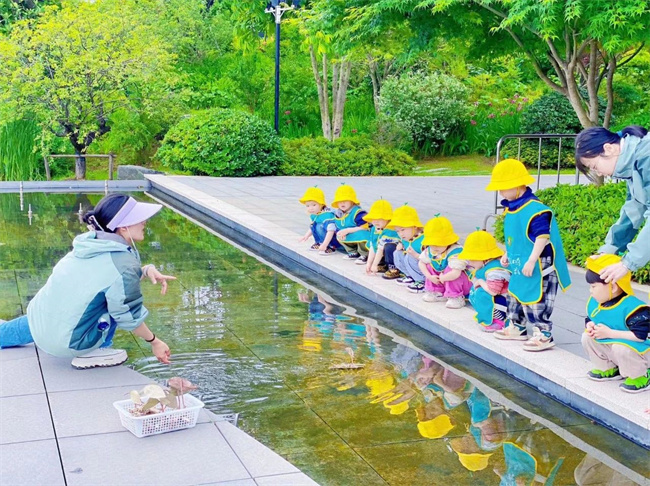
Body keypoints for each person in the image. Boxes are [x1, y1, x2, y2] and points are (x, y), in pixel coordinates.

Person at [0, 194, 174, 369]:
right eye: (139, 219)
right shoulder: (123, 264)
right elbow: (128, 315)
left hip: (37, 321)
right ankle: (95, 352)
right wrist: (155, 342)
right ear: (123, 227)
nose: (144, 222)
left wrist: (146, 270)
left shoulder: (89, 244)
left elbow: (109, 277)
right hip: (67, 343)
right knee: (118, 303)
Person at [485, 159, 571, 351]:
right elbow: (516, 236)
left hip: (539, 262)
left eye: (503, 188)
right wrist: (507, 253)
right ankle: (517, 326)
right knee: (515, 294)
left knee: (538, 298)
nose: (501, 193)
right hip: (519, 261)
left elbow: (542, 237)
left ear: (518, 185)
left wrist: (532, 260)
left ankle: (543, 333)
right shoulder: (512, 207)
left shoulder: (535, 210)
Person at [575, 125, 650, 285]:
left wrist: (628, 263)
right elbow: (633, 211)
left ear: (608, 149)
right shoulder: (634, 163)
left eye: (594, 167)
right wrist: (608, 251)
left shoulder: (646, 157)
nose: (599, 173)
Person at [582, 254, 650, 393]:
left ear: (613, 287)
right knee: (587, 337)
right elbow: (592, 317)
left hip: (641, 351)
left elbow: (640, 336)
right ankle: (608, 368)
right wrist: (590, 326)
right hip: (617, 347)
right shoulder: (597, 302)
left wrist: (609, 333)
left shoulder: (634, 308)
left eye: (594, 286)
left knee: (621, 348)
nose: (590, 291)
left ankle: (641, 375)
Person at [458, 230, 511, 332]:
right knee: (479, 291)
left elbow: (493, 291)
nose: (470, 262)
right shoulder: (488, 264)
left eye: (472, 259)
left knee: (481, 293)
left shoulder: (494, 271)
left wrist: (480, 282)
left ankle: (499, 321)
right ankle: (490, 316)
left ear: (484, 258)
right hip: (502, 300)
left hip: (507, 302)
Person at [418, 216, 472, 307]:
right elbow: (421, 262)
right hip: (442, 280)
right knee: (429, 265)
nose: (435, 247)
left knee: (450, 268)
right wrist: (429, 276)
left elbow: (456, 273)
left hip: (463, 283)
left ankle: (456, 297)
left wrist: (443, 278)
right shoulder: (431, 250)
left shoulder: (456, 251)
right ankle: (437, 292)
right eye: (432, 244)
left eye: (439, 244)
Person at [384, 205, 426, 290]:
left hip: (425, 270)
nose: (401, 234)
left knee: (409, 257)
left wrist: (415, 255)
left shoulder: (424, 240)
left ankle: (421, 281)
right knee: (397, 253)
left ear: (414, 227)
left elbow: (430, 260)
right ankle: (410, 276)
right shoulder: (406, 238)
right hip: (413, 266)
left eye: (403, 230)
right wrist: (400, 245)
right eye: (398, 231)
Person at [331, 184, 369, 263]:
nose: (342, 203)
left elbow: (365, 227)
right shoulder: (339, 213)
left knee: (362, 233)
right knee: (339, 234)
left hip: (363, 237)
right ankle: (353, 252)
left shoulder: (358, 213)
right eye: (339, 201)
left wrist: (347, 230)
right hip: (352, 236)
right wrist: (342, 232)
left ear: (352, 201)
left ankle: (365, 254)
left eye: (345, 200)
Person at [362, 199, 400, 275]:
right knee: (376, 245)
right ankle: (383, 265)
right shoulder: (374, 228)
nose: (376, 221)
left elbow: (381, 248)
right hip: (382, 253)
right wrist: (369, 263)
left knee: (389, 247)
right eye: (374, 218)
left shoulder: (390, 230)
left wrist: (374, 265)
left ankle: (393, 268)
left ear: (388, 219)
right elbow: (373, 245)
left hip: (394, 256)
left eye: (380, 218)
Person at [298, 186, 339, 255]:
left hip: (334, 238)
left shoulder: (327, 215)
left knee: (320, 226)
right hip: (325, 237)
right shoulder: (314, 214)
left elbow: (331, 231)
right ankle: (320, 242)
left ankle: (331, 246)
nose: (310, 208)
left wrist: (325, 244)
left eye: (314, 205)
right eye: (308, 206)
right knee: (315, 225)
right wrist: (306, 236)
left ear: (321, 204)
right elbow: (312, 227)